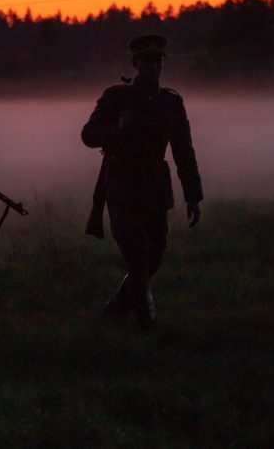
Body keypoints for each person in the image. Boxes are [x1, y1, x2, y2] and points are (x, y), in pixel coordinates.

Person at [81, 34, 203, 329]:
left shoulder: (171, 103)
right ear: (136, 63)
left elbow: (183, 150)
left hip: (155, 189)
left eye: (158, 61)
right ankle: (146, 322)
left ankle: (117, 307)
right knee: (138, 253)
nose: (153, 66)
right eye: (146, 61)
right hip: (121, 185)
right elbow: (88, 135)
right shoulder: (116, 98)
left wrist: (193, 194)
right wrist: (118, 128)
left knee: (155, 255)